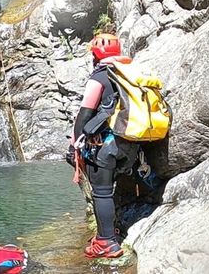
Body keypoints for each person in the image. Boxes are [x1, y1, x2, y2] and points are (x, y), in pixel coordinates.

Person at [67, 33, 139, 259]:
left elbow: (85, 113)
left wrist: (75, 145)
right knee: (109, 191)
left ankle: (106, 242)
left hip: (105, 146)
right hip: (130, 142)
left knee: (102, 193)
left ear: (96, 55)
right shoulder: (128, 72)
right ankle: (108, 232)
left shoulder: (100, 76)